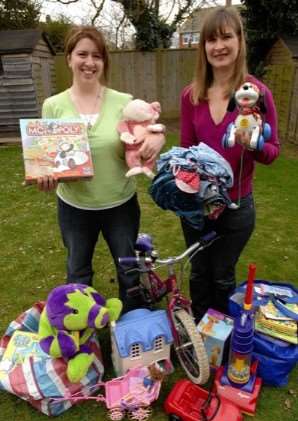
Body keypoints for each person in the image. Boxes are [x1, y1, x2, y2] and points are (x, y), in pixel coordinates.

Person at [38, 26, 165, 314]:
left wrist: (156, 139)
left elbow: (146, 133)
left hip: (120, 204)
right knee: (78, 272)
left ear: (104, 61)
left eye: (97, 56)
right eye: (82, 54)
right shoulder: (53, 106)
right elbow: (47, 160)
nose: (89, 62)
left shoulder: (124, 102)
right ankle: (82, 332)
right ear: (69, 58)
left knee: (128, 270)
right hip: (74, 207)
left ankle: (132, 328)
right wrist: (45, 176)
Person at [180, 7, 280, 321]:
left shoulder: (257, 93)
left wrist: (255, 145)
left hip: (237, 207)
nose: (219, 46)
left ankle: (220, 336)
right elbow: (186, 151)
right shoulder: (190, 96)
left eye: (226, 37)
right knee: (198, 271)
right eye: (211, 39)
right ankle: (199, 329)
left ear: (239, 41)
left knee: (221, 274)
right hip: (198, 205)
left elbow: (272, 151)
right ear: (203, 47)